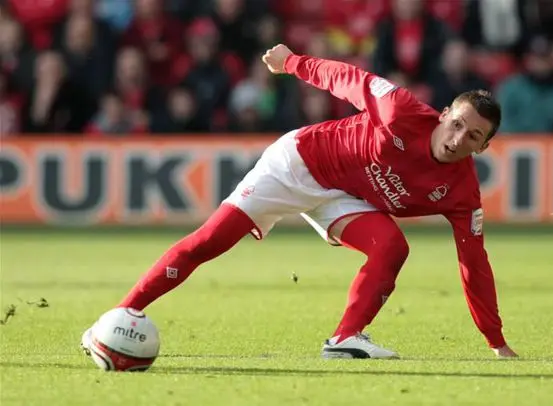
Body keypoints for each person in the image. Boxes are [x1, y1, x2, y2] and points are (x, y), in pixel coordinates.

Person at [81, 44, 518, 360]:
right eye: (457, 124)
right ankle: (120, 314)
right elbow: (349, 79)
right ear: (443, 114)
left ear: (482, 147)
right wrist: (292, 62)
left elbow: (473, 264)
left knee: (393, 247)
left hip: (343, 197)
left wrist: (494, 340)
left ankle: (346, 339)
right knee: (208, 243)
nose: (458, 138)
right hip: (296, 164)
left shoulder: (462, 194)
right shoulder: (399, 110)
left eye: (473, 136)